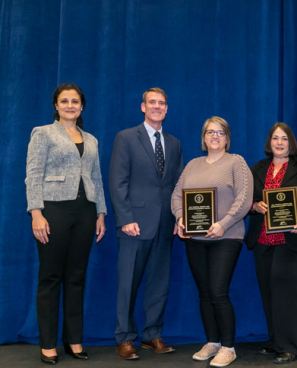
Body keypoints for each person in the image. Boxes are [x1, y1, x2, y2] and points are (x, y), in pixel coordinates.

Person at [25, 83, 107, 364]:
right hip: (54, 210)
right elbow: (33, 175)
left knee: (76, 277)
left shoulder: (92, 140)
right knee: (50, 277)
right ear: (56, 106)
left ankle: (74, 340)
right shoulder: (43, 134)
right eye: (64, 101)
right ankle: (48, 344)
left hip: (85, 212)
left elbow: (97, 179)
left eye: (75, 101)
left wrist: (101, 214)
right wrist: (36, 212)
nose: (70, 105)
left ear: (82, 106)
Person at [172, 116, 252, 367]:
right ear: (203, 137)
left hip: (226, 237)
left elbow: (244, 198)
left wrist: (223, 224)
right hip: (195, 239)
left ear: (227, 138)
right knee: (205, 293)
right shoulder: (193, 165)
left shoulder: (236, 162)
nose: (214, 136)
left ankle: (228, 346)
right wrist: (181, 217)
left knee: (218, 291)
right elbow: (176, 196)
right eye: (209, 132)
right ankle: (212, 342)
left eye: (220, 132)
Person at [109, 88, 183, 360]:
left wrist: (179, 217)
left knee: (159, 284)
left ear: (167, 108)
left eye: (162, 103)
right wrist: (125, 219)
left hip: (165, 226)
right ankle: (125, 338)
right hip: (134, 225)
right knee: (127, 283)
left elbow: (178, 186)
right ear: (143, 107)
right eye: (152, 102)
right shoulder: (126, 138)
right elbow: (118, 182)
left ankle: (152, 335)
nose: (157, 107)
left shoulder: (173, 143)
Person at [245, 123, 297, 364]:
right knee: (269, 290)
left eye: (284, 139)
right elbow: (245, 199)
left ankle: (290, 346)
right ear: (269, 142)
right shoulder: (257, 168)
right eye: (275, 139)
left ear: (291, 143)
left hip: (295, 239)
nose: (279, 143)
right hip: (263, 239)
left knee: (287, 290)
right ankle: (276, 341)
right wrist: (254, 206)